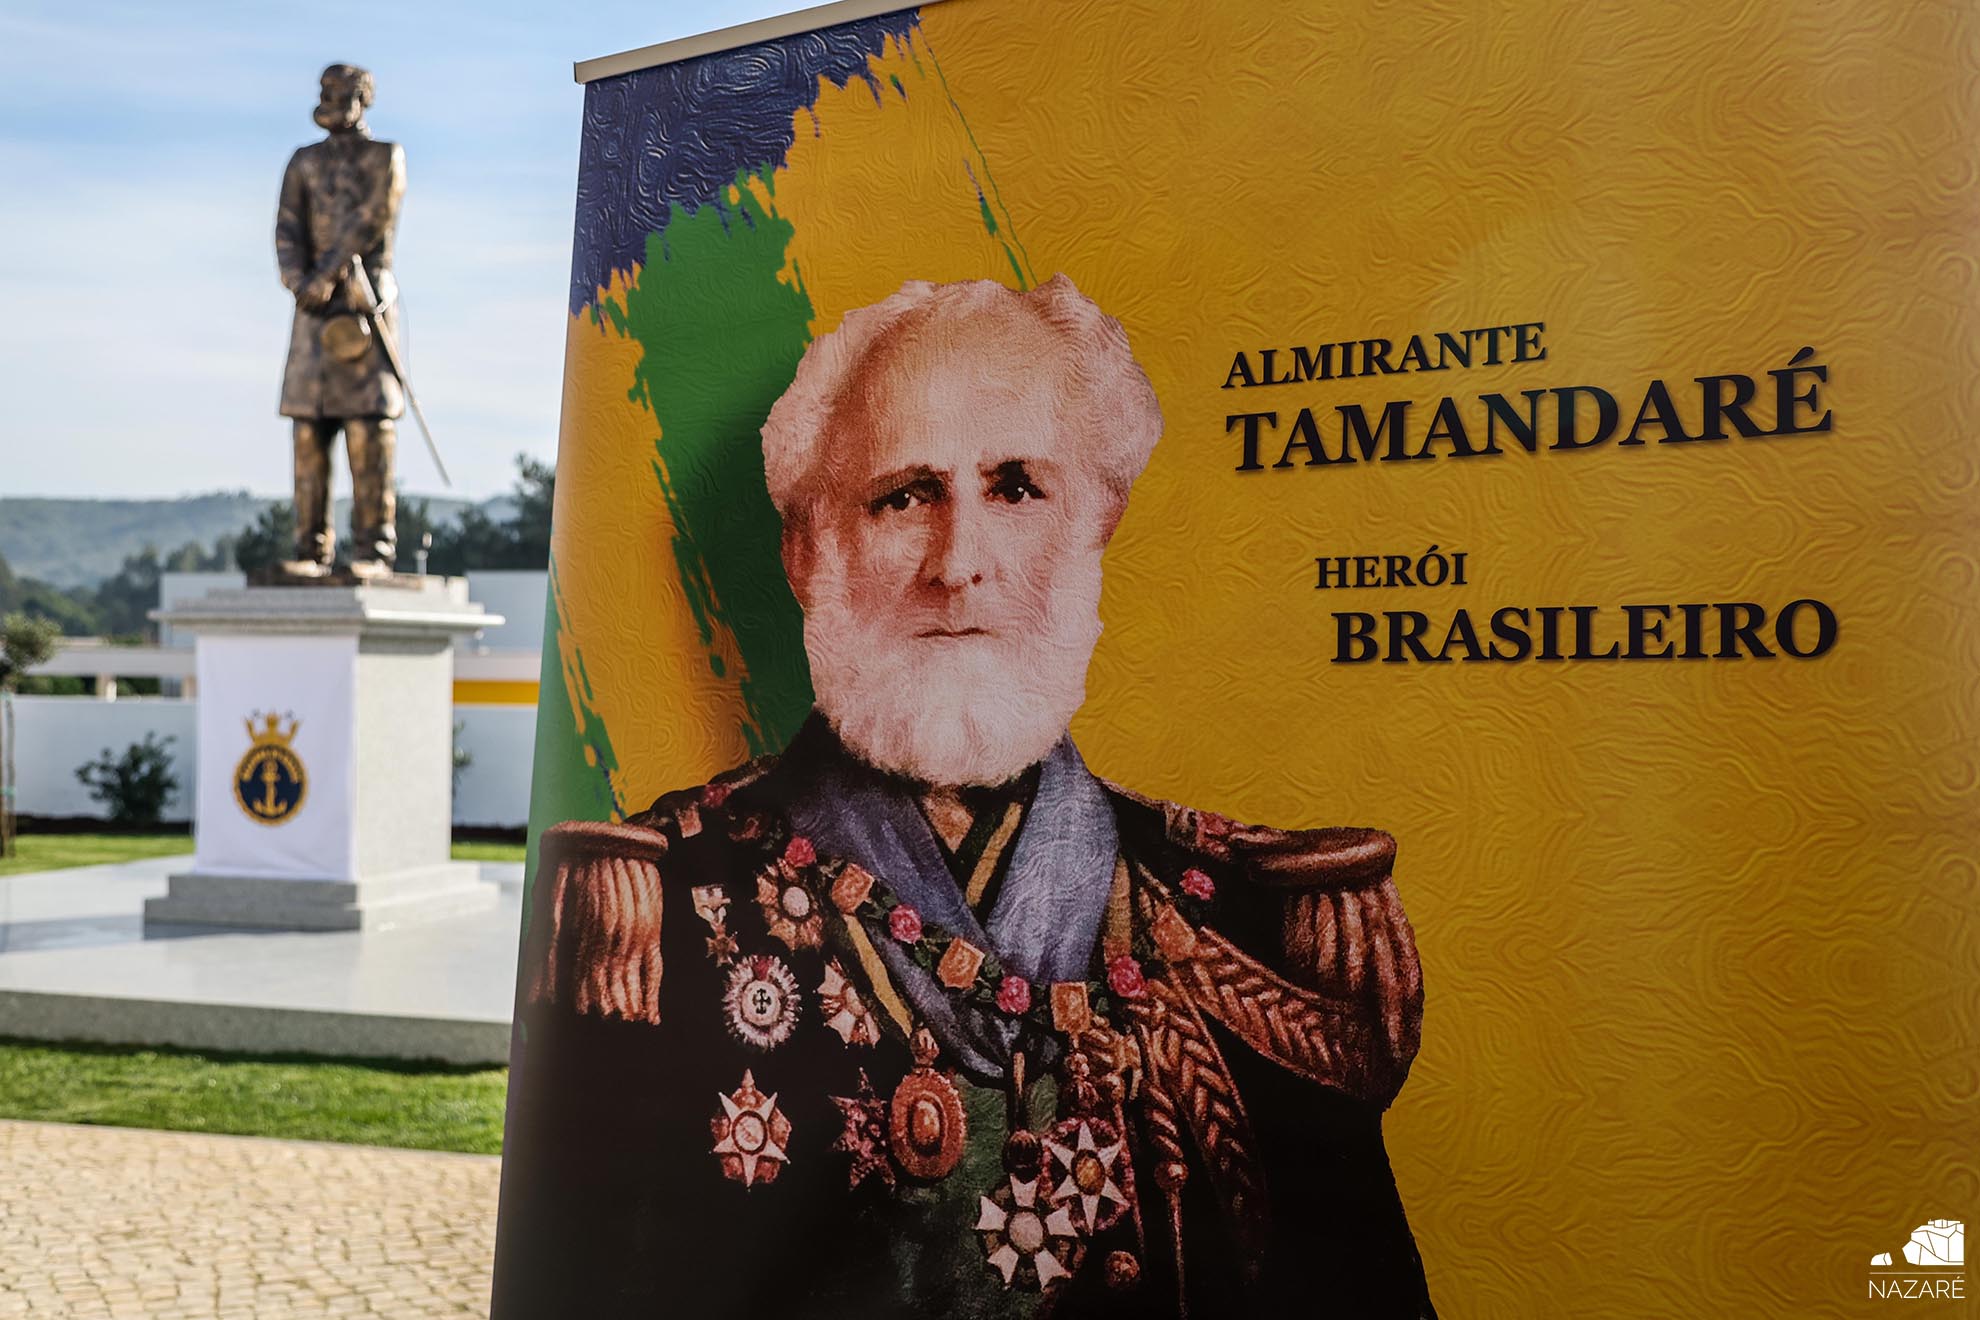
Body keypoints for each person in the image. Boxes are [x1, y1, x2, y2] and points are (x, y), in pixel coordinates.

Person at [493, 276, 1436, 1318]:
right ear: (808, 551)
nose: (960, 564)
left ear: (1096, 525)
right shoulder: (651, 924)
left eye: (1018, 488)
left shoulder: (1256, 930)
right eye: (904, 495)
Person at [274, 63, 406, 578]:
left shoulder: (384, 157)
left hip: (361, 302)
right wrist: (298, 280)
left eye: (342, 93)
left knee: (367, 427)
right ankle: (310, 548)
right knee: (308, 428)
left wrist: (328, 274)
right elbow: (286, 226)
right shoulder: (303, 162)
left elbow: (373, 218)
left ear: (361, 99)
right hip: (312, 311)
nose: (331, 100)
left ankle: (374, 549)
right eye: (326, 92)